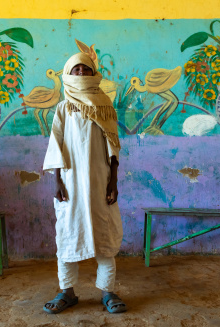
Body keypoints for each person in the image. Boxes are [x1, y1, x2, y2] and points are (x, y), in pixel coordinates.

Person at [42, 53, 127, 314]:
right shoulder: (63, 108)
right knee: (68, 233)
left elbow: (113, 146)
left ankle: (108, 291)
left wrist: (113, 181)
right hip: (70, 182)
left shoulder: (105, 106)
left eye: (85, 69)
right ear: (68, 73)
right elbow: (55, 146)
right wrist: (56, 180)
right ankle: (66, 292)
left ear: (93, 73)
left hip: (100, 181)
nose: (80, 73)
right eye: (75, 69)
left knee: (104, 231)